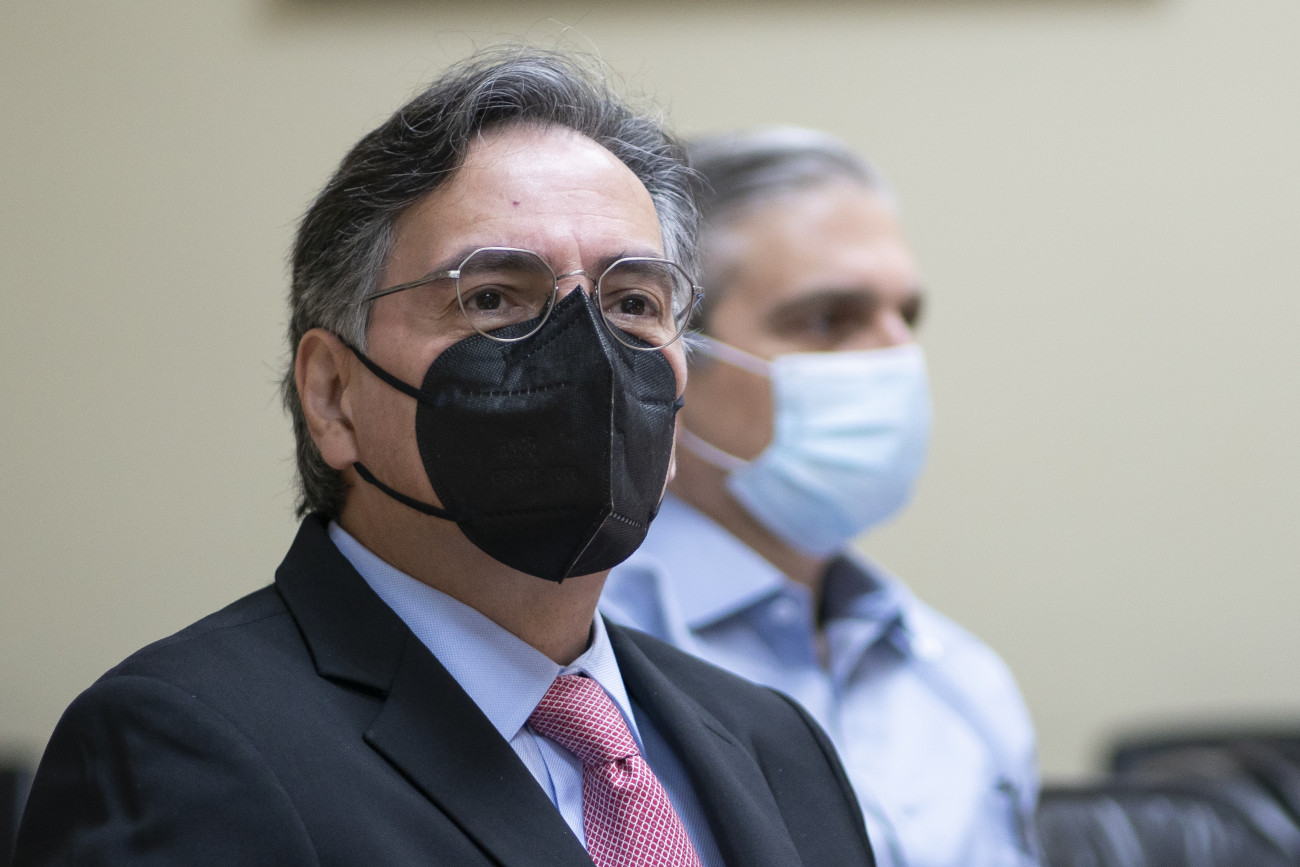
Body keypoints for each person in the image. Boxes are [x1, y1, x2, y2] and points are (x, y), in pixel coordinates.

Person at [11, 54, 876, 866]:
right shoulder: (177, 746)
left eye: (633, 302)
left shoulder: (776, 744)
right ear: (333, 394)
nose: (591, 356)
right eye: (493, 297)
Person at [600, 128, 1040, 867]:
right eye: (829, 320)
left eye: (906, 317)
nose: (895, 357)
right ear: (669, 356)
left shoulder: (961, 682)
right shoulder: (584, 668)